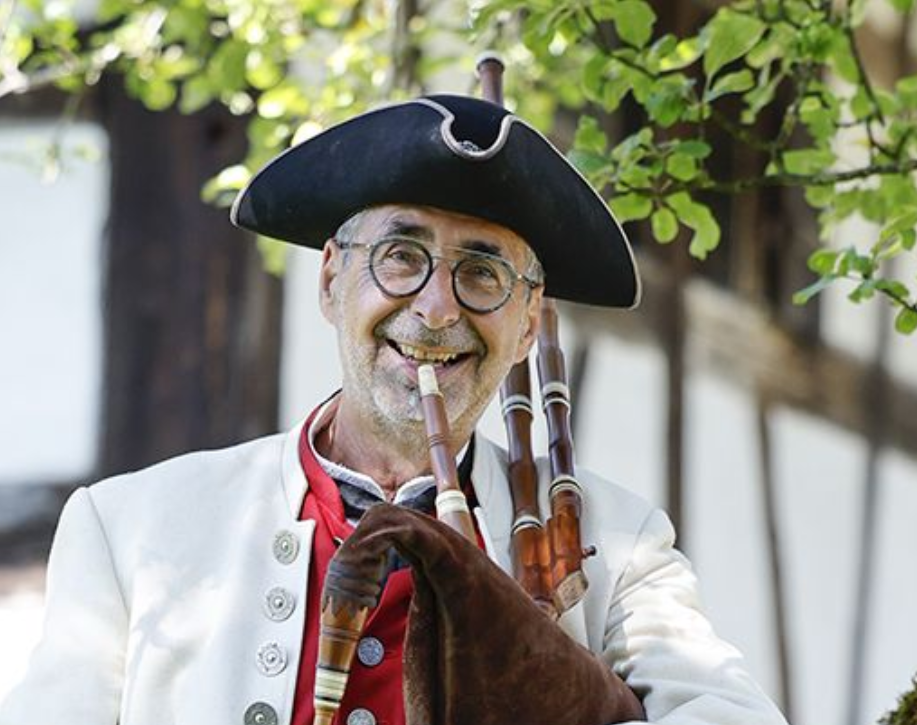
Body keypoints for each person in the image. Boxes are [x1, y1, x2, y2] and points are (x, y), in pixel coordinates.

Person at [0, 93, 790, 725]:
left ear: (526, 325)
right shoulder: (129, 528)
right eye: (401, 257)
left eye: (481, 273)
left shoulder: (617, 547)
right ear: (331, 281)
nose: (436, 308)